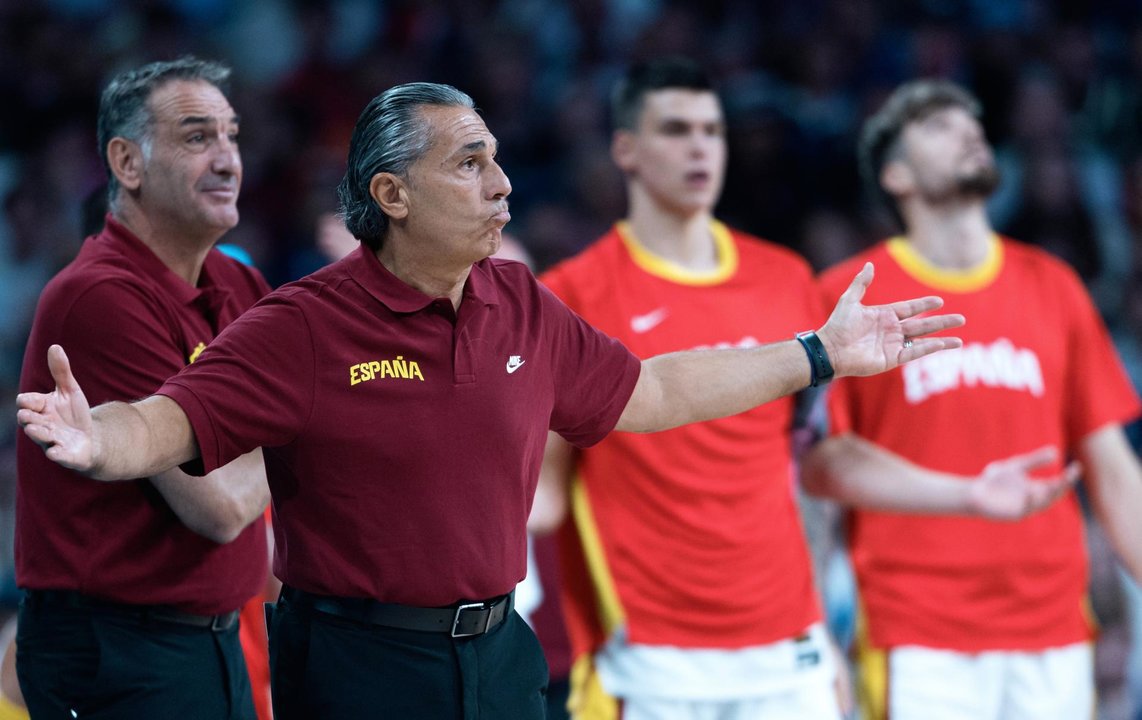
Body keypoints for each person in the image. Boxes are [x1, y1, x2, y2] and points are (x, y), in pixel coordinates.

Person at [17, 81, 964, 720]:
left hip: (502, 653)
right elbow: (171, 420)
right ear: (390, 193)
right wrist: (98, 439)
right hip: (360, 665)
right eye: (468, 163)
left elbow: (654, 386)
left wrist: (818, 354)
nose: (502, 184)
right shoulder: (306, 322)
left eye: (497, 158)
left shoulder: (518, 301)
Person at [532, 57, 1078, 720]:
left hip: (790, 652)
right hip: (645, 657)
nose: (701, 146)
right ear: (626, 149)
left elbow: (819, 458)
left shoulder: (786, 279)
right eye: (676, 129)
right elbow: (545, 494)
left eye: (714, 130)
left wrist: (964, 492)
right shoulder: (571, 294)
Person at [804, 79, 1142, 720]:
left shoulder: (1055, 285)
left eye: (973, 122)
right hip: (919, 635)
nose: (969, 130)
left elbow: (1113, 467)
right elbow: (822, 465)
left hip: (1056, 630)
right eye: (939, 125)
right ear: (896, 174)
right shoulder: (846, 298)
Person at [14, 57, 272, 719]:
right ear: (126, 163)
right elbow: (215, 507)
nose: (227, 159)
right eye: (197, 138)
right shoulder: (98, 297)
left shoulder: (241, 287)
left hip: (211, 639)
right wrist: (299, 426)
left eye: (232, 135)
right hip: (117, 654)